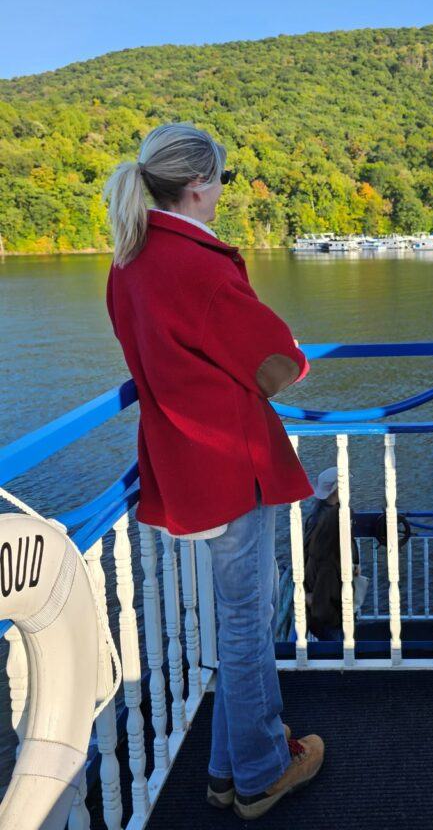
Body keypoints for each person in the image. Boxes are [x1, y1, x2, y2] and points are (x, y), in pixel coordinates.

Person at [103, 123, 325, 821]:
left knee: (238, 617)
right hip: (232, 465)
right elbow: (276, 364)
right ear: (198, 185)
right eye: (221, 180)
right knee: (246, 622)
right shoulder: (197, 265)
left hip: (183, 461)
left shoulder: (129, 263)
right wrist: (291, 351)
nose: (223, 191)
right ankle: (263, 773)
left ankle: (227, 771)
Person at [303, 467, 360, 641]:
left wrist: (353, 563)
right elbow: (327, 568)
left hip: (321, 603)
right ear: (338, 489)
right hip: (331, 612)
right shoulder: (332, 523)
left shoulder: (315, 517)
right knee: (341, 653)